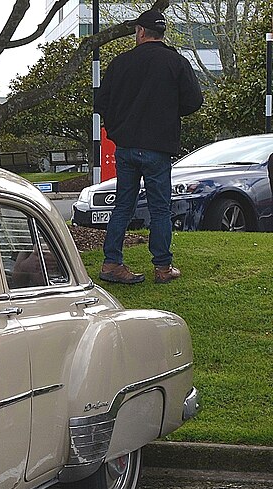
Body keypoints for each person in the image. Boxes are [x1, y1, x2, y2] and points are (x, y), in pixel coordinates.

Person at [94, 8, 202, 284]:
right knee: (159, 208)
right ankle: (163, 267)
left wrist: (118, 128)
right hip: (158, 145)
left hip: (127, 145)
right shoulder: (176, 62)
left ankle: (111, 263)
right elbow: (193, 102)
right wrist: (167, 112)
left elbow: (101, 104)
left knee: (123, 205)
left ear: (140, 32)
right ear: (161, 32)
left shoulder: (120, 64)